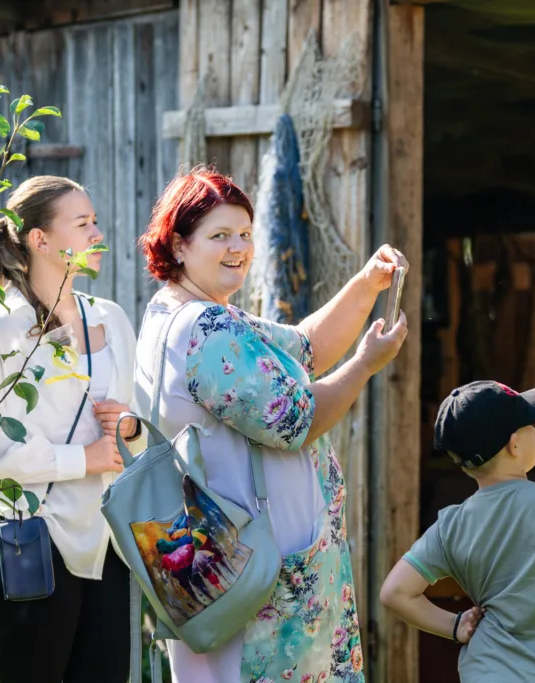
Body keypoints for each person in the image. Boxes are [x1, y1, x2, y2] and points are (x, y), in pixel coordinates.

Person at [134, 167, 407, 683]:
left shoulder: (188, 313)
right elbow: (298, 420)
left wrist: (367, 283)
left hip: (233, 566)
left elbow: (306, 345)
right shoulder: (204, 327)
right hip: (259, 580)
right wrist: (367, 364)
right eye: (219, 235)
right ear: (179, 244)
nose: (238, 247)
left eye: (244, 234)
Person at [0, 175, 143, 682]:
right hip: (25, 540)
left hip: (107, 545)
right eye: (82, 224)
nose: (97, 233)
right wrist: (83, 460)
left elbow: (140, 432)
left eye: (95, 221)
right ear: (40, 240)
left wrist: (129, 430)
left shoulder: (114, 320)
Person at [380, 381, 535, 683]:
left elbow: (395, 593)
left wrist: (454, 625)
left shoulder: (451, 524)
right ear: (515, 444)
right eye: (530, 423)